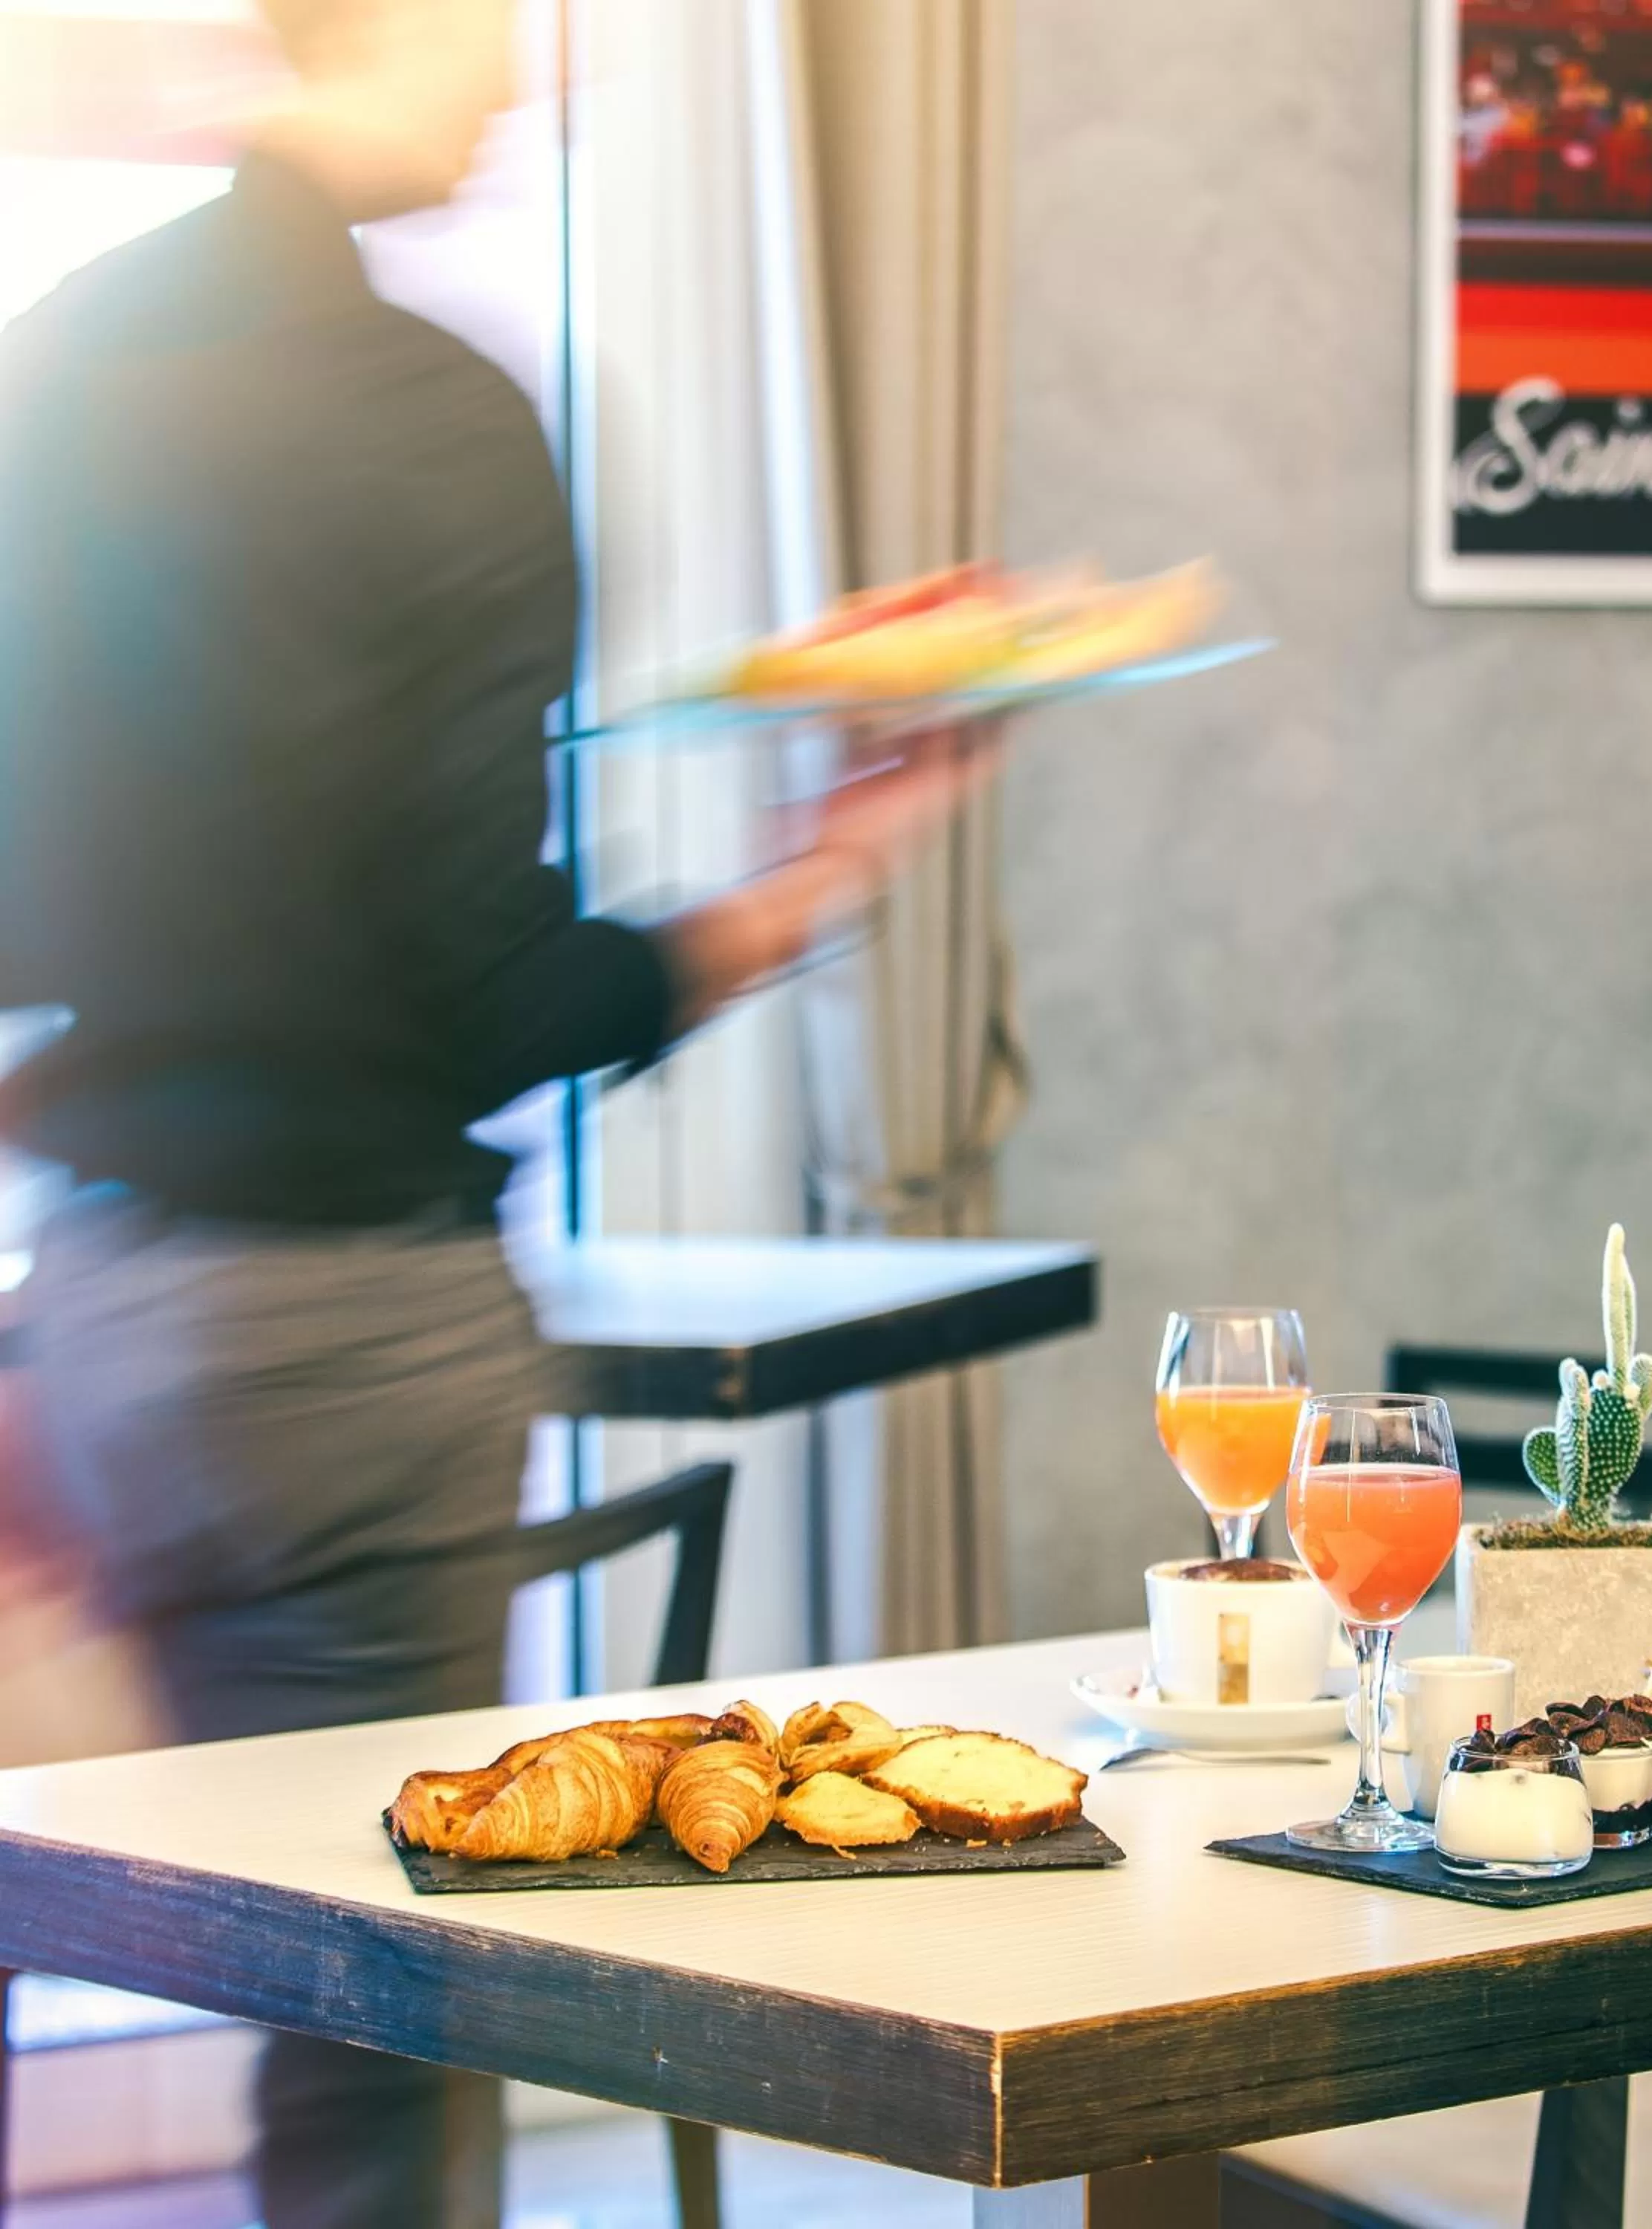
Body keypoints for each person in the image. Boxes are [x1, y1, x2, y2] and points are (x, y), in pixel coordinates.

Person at [0, 1, 992, 2222]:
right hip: (356, 1339)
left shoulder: (60, 360)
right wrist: (826, 872)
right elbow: (482, 996)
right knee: (376, 2029)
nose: (550, 70)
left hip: (103, 1318)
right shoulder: (439, 417)